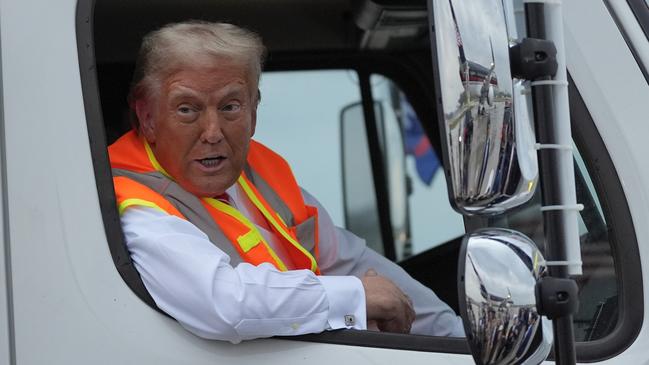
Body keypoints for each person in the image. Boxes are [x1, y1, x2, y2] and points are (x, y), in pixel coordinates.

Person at [109, 20, 464, 344]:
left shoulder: (261, 175)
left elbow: (352, 261)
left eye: (231, 106)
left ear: (254, 111)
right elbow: (224, 304)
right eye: (187, 109)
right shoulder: (133, 203)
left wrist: (458, 341)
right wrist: (354, 296)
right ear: (148, 117)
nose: (213, 132)